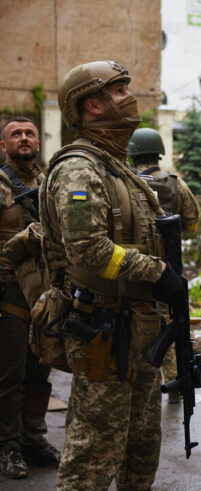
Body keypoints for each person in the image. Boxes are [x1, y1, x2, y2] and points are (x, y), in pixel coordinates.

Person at [41, 60, 187, 490]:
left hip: (140, 329)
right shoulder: (79, 169)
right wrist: (157, 272)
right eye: (119, 89)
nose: (130, 95)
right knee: (92, 458)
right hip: (103, 331)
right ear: (93, 105)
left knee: (140, 449)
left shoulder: (115, 166)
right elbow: (86, 251)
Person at [0, 117, 60, 479]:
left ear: (38, 142)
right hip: (8, 293)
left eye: (29, 133)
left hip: (47, 294)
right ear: (4, 146)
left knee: (41, 369)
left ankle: (34, 439)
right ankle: (8, 445)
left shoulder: (51, 183)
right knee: (11, 373)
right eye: (15, 134)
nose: (24, 138)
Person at [128, 127, 200, 404]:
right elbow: (192, 221)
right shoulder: (174, 184)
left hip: (135, 267)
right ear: (158, 152)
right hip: (169, 269)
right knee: (173, 324)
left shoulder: (126, 182)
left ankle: (138, 382)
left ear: (132, 153)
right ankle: (176, 381)